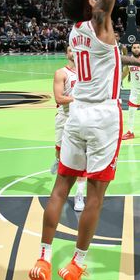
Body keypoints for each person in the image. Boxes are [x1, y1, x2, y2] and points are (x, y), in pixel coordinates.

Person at [29, 0, 140, 280]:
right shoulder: (99, 20)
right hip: (103, 115)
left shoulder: (75, 34)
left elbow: (110, 58)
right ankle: (76, 264)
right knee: (95, 195)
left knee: (60, 189)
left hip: (76, 115)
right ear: (91, 7)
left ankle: (42, 258)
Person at [51, 45, 86, 212]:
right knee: (59, 148)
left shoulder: (88, 72)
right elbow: (58, 97)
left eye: (76, 50)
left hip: (82, 117)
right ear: (67, 54)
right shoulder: (61, 73)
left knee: (81, 157)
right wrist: (79, 98)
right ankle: (58, 159)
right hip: (65, 116)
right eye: (71, 50)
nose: (74, 53)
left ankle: (79, 194)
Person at [122, 42, 140, 140]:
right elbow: (125, 72)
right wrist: (118, 81)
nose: (136, 49)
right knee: (131, 112)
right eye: (134, 47)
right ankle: (130, 132)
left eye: (138, 47)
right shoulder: (129, 60)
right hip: (134, 90)